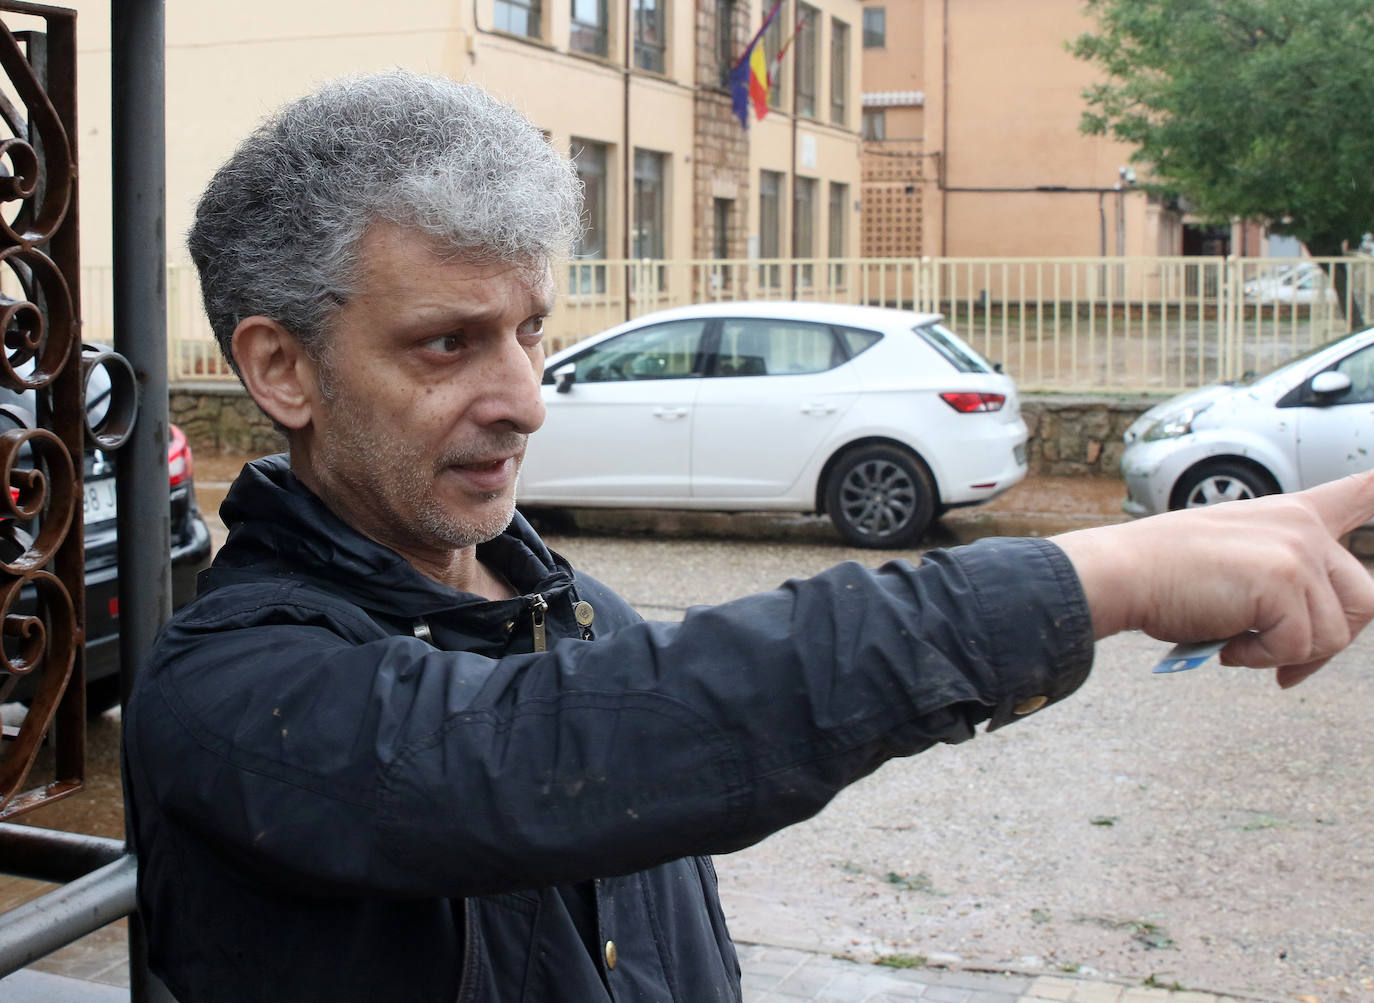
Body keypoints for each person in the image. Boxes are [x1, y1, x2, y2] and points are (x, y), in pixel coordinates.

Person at [123, 69, 1374, 1003]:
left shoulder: (583, 620)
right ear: (280, 368)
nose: (524, 397)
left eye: (531, 330)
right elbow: (543, 755)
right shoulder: (230, 691)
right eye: (447, 342)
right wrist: (1102, 572)